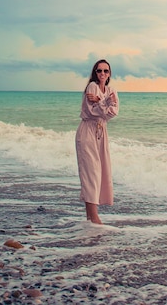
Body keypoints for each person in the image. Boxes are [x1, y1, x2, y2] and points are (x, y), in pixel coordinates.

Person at [75, 59, 119, 224]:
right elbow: (93, 111)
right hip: (87, 132)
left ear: (109, 74)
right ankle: (94, 217)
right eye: (99, 71)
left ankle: (89, 218)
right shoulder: (91, 87)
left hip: (101, 133)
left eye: (105, 71)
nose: (102, 74)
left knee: (100, 172)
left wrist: (101, 102)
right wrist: (104, 104)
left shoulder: (110, 90)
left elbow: (113, 112)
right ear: (95, 73)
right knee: (91, 173)